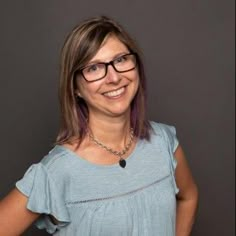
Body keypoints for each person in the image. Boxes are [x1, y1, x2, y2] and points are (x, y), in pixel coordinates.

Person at [0, 16, 198, 236]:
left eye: (121, 59)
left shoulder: (164, 142)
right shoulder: (57, 171)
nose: (113, 77)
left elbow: (189, 197)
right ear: (75, 87)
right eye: (94, 68)